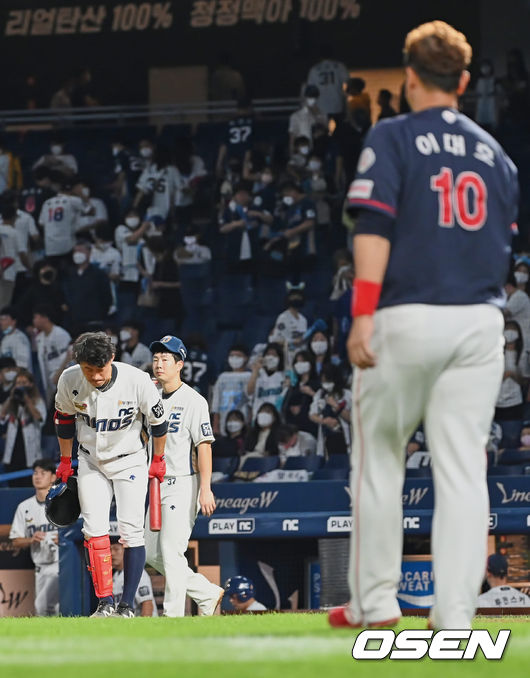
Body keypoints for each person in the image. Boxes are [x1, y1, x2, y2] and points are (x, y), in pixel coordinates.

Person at [329, 21, 518, 631]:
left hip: (406, 316)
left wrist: (362, 314)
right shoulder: (499, 155)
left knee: (379, 457)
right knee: (463, 468)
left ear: (409, 77)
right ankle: (455, 615)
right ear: (463, 82)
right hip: (479, 322)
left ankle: (375, 607)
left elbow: (373, 229)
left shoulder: (392, 136)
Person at [54, 331, 168, 617]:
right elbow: (64, 421)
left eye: (99, 369)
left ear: (112, 359)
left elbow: (159, 423)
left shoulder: (137, 380)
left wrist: (158, 458)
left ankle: (127, 605)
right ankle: (105, 603)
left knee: (131, 531)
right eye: (88, 370)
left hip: (129, 460)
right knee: (93, 529)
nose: (94, 376)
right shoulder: (69, 379)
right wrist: (65, 460)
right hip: (91, 460)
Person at [144, 335, 224, 617]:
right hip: (154, 485)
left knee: (171, 550)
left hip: (182, 482)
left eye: (165, 358)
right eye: (156, 358)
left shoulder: (194, 400)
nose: (159, 363)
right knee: (150, 553)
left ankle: (173, 616)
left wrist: (206, 488)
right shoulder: (149, 395)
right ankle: (207, 593)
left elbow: (204, 447)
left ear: (180, 364)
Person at [9, 459, 59, 615]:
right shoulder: (25, 507)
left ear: (53, 477)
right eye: (35, 473)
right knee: (43, 610)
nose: (38, 476)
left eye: (43, 473)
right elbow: (15, 541)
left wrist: (63, 539)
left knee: (50, 607)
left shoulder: (63, 502)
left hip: (62, 564)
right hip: (40, 567)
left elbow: (79, 531)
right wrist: (31, 539)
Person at [1, 370, 47, 485]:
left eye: (24, 382)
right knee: (13, 486)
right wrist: (11, 398)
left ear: (31, 384)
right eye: (18, 383)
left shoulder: (38, 402)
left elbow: (40, 419)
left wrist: (27, 401)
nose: (21, 386)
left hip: (30, 456)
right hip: (12, 455)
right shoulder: (12, 402)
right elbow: (2, 416)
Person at [62, 242, 113, 329]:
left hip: (93, 321)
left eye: (80, 250)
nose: (77, 254)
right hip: (74, 322)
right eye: (75, 251)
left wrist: (99, 314)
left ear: (89, 253)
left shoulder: (99, 274)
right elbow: (65, 294)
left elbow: (107, 298)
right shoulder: (68, 274)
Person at [309, 363, 351, 456]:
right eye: (323, 381)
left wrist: (336, 406)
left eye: (328, 381)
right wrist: (324, 421)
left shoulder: (347, 394)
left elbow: (351, 418)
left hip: (344, 437)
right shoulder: (319, 394)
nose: (325, 384)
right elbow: (312, 415)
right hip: (326, 438)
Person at [33, 305, 71, 407]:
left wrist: (58, 375)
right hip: (49, 382)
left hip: (63, 380)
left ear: (45, 318)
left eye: (36, 317)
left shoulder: (61, 334)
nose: (34, 321)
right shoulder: (39, 338)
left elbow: (68, 359)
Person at [211, 344, 251, 434]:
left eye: (238, 356)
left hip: (241, 418)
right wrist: (215, 426)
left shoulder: (249, 376)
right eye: (232, 355)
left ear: (246, 358)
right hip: (224, 421)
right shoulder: (222, 377)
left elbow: (251, 401)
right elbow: (216, 404)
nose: (234, 358)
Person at [111, 541, 158, 617]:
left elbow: (147, 604)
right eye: (110, 550)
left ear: (126, 552)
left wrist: (144, 627)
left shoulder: (138, 572)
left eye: (116, 549)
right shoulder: (115, 575)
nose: (112, 553)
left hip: (142, 624)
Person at [306, 46, 349, 119]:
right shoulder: (339, 66)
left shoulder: (314, 69)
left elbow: (310, 89)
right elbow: (348, 82)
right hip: (337, 103)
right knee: (341, 128)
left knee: (323, 128)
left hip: (322, 105)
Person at [247, 342, 286, 421]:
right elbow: (249, 392)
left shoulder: (283, 376)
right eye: (268, 354)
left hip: (277, 418)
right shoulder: (258, 375)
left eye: (274, 355)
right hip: (258, 417)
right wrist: (255, 370)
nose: (271, 357)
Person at [289, 86, 328, 154]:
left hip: (318, 152)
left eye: (314, 97)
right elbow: (292, 137)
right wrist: (292, 153)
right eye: (309, 96)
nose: (312, 99)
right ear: (305, 97)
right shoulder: (296, 116)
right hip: (302, 151)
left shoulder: (323, 115)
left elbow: (326, 131)